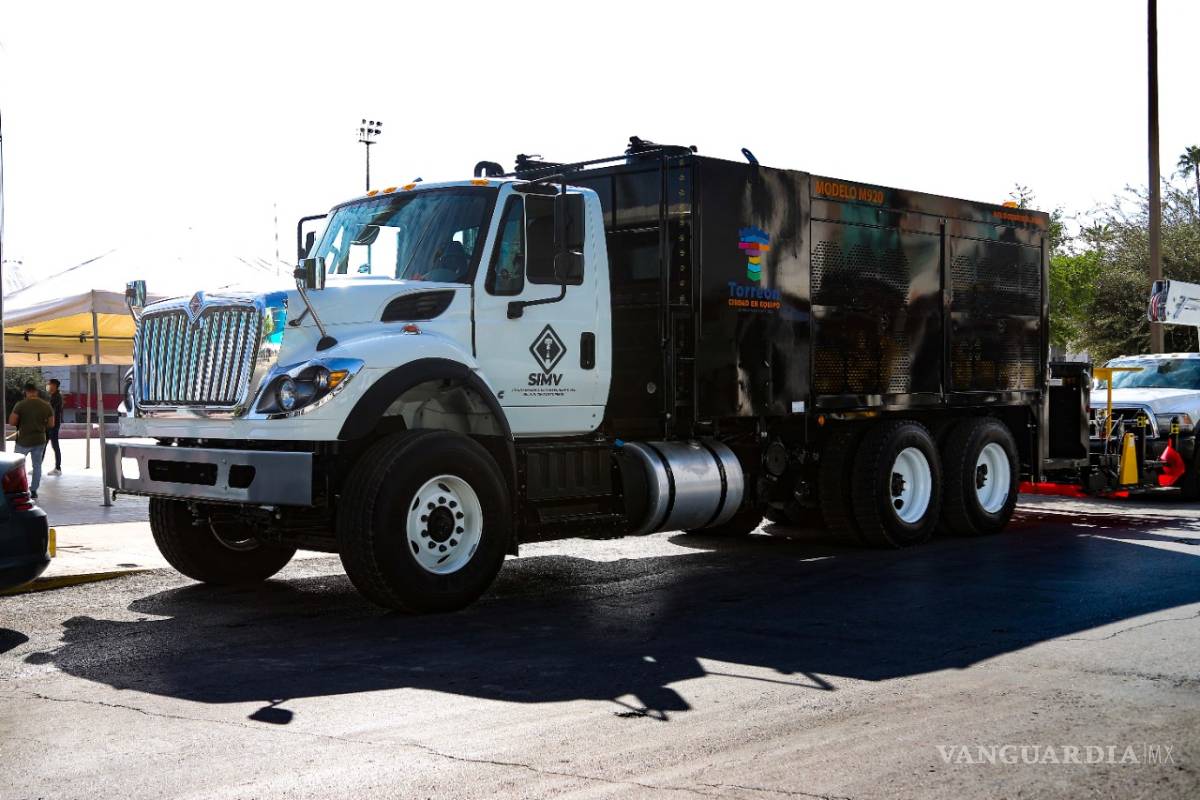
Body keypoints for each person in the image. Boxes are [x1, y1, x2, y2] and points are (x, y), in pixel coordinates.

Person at [8, 382, 55, 499]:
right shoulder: (46, 405)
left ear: (26, 392)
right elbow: (51, 424)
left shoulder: (20, 405)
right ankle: (34, 490)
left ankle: (18, 488)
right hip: (39, 440)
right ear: (36, 392)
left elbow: (12, 422)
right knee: (37, 466)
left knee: (17, 466)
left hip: (23, 440)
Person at [46, 378, 64, 476]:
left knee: (55, 446)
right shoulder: (54, 396)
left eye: (49, 384)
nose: (48, 386)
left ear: (54, 386)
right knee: (44, 445)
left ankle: (58, 468)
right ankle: (37, 466)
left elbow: (53, 411)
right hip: (51, 424)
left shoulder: (57, 397)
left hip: (53, 425)